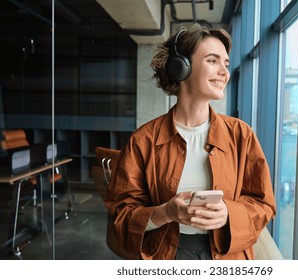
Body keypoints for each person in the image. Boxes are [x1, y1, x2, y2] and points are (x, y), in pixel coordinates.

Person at [104, 24, 276, 260]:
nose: (224, 72)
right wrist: (165, 212)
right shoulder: (143, 140)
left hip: (228, 253)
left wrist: (228, 214)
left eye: (225, 63)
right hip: (167, 253)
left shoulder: (241, 135)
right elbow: (120, 215)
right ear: (181, 68)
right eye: (212, 61)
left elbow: (264, 205)